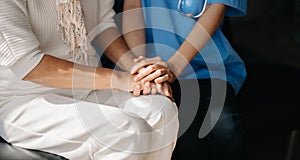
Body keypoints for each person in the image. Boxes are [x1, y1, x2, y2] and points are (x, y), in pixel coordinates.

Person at [0, 0, 178, 160]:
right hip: (25, 98)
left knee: (161, 111)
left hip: (89, 88)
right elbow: (29, 65)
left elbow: (101, 24)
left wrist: (137, 70)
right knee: (125, 131)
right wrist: (119, 79)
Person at [122, 0, 247, 159]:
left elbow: (216, 7)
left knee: (226, 130)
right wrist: (143, 67)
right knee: (182, 141)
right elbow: (132, 7)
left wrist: (173, 66)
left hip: (204, 67)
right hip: (149, 66)